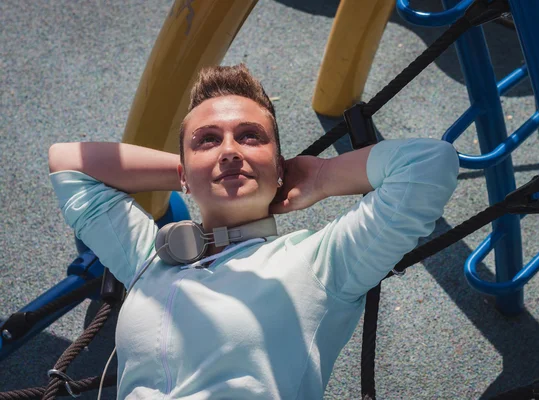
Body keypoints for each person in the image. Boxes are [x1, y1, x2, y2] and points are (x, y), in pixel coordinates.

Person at [48, 63, 459, 399]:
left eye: (250, 136)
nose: (230, 150)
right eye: (207, 140)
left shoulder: (318, 264)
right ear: (182, 173)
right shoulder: (150, 258)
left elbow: (428, 164)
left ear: (280, 166)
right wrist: (191, 173)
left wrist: (324, 176)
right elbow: (67, 162)